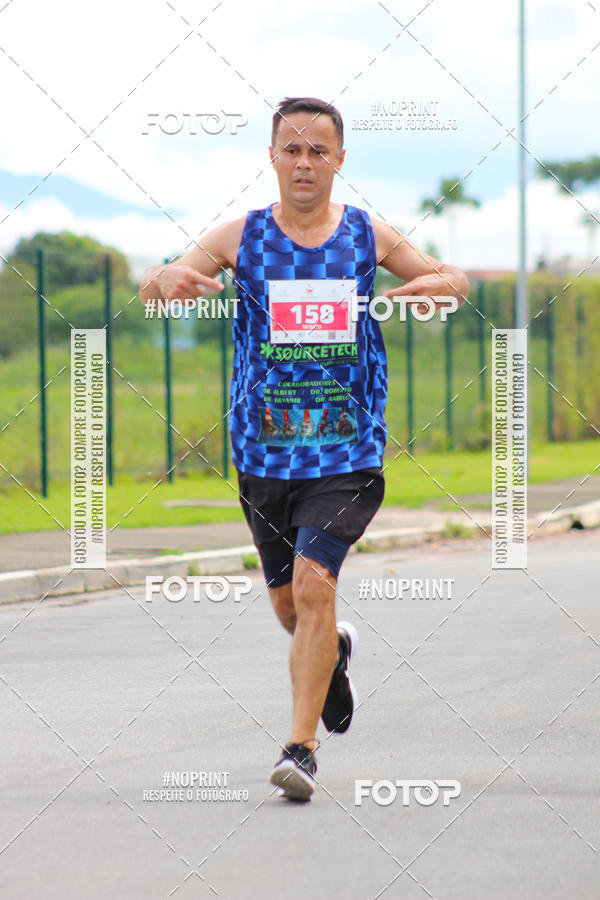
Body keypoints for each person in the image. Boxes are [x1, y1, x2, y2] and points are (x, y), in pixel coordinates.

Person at [140, 96, 469, 802]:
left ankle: (301, 749)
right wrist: (166, 280)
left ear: (340, 161)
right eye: (292, 149)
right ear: (272, 158)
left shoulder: (366, 236)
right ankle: (334, 656)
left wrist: (439, 286)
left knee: (317, 587)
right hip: (264, 454)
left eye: (319, 151)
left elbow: (453, 279)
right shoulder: (241, 236)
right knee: (292, 608)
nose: (304, 162)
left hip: (347, 452)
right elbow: (158, 282)